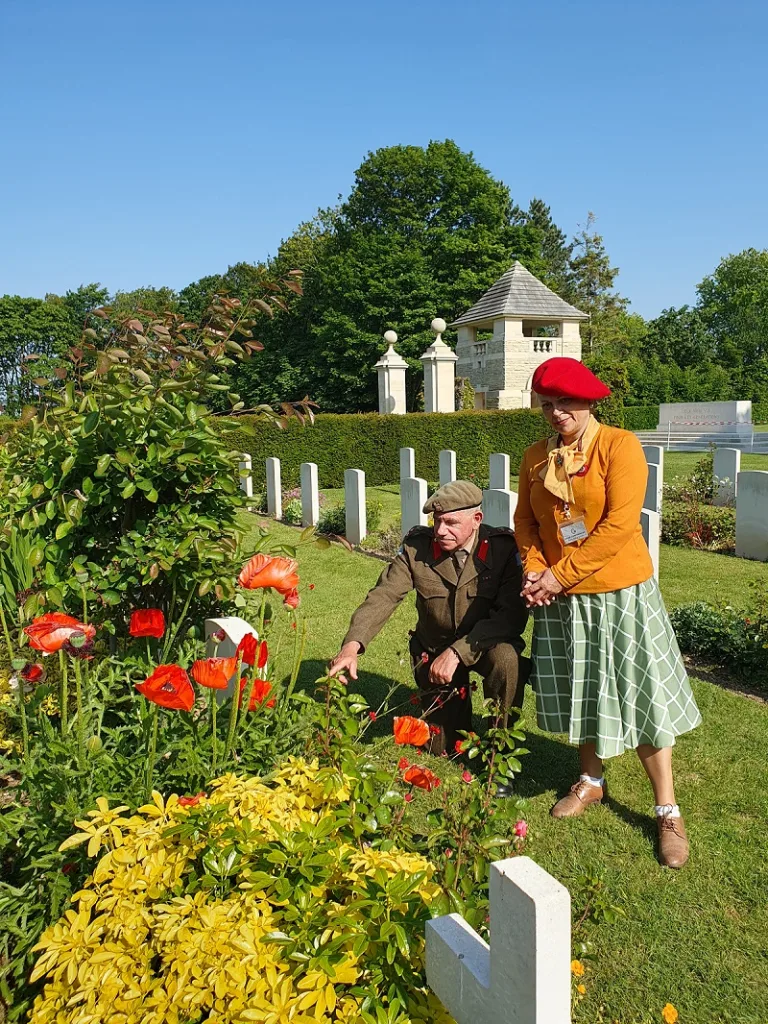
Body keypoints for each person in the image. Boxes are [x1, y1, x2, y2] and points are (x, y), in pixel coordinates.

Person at [514, 356, 701, 868]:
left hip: (618, 592)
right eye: (547, 404)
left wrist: (556, 574)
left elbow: (620, 526)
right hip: (561, 597)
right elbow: (526, 523)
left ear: (590, 401)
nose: (556, 413)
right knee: (584, 688)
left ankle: (666, 809)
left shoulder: (620, 446)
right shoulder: (535, 455)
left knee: (640, 695)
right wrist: (535, 569)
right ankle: (592, 781)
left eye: (566, 402)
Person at [329, 480, 529, 768]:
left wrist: (458, 652)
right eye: (436, 521)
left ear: (477, 519)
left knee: (507, 660)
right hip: (434, 649)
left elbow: (510, 616)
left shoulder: (502, 550)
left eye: (450, 522)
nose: (440, 531)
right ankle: (455, 722)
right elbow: (384, 595)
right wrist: (351, 646)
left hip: (485, 645)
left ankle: (501, 751)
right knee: (445, 748)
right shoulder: (417, 548)